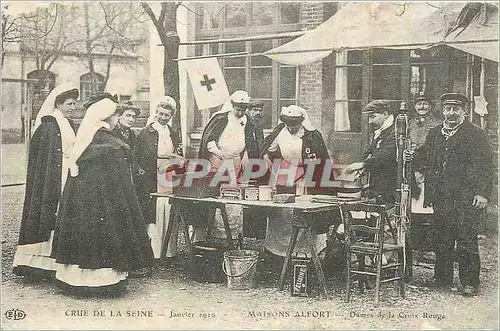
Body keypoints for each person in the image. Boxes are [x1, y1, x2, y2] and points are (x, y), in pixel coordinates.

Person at [51, 93, 154, 294]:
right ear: (108, 117)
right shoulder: (108, 142)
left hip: (84, 200)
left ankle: (74, 278)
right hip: (105, 200)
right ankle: (103, 281)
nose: (117, 119)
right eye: (116, 115)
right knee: (104, 233)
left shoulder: (88, 138)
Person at [411, 93, 493, 297]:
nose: (451, 113)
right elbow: (424, 157)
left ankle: (470, 282)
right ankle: (442, 277)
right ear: (443, 111)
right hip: (440, 195)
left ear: (464, 111)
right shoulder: (436, 133)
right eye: (447, 109)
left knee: (466, 238)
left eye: (456, 109)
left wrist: (482, 193)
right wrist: (410, 156)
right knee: (442, 237)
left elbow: (486, 166)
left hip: (465, 196)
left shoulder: (476, 134)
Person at [13, 84, 79, 279]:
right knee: (51, 211)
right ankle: (40, 262)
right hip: (54, 176)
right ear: (58, 103)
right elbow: (43, 159)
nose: (73, 107)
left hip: (67, 172)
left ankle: (59, 258)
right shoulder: (49, 126)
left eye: (74, 103)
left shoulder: (68, 123)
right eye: (69, 103)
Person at [259, 105, 332, 256]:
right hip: (284, 174)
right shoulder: (279, 133)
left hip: (305, 175)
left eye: (294, 126)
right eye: (288, 125)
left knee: (302, 212)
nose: (291, 129)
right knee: (281, 212)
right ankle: (278, 252)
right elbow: (267, 149)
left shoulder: (311, 136)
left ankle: (304, 253)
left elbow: (320, 161)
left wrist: (309, 177)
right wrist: (267, 156)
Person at [195, 90, 259, 241]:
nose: (240, 112)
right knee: (214, 193)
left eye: (243, 109)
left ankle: (231, 235)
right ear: (232, 106)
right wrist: (218, 152)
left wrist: (246, 157)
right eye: (238, 109)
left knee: (233, 195)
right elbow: (209, 139)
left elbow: (250, 142)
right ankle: (210, 234)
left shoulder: (247, 121)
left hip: (236, 160)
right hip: (217, 159)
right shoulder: (221, 118)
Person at [134, 96, 184, 259]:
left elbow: (178, 154)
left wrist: (175, 158)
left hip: (168, 176)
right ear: (156, 113)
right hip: (150, 178)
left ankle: (169, 251)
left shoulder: (173, 133)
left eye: (167, 115)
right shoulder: (145, 133)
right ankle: (154, 252)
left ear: (171, 116)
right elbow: (137, 156)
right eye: (160, 114)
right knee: (153, 213)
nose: (163, 117)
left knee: (167, 208)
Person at [344, 100, 397, 204]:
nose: (370, 121)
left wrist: (362, 164)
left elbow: (385, 155)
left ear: (385, 114)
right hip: (378, 185)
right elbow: (369, 151)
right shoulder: (381, 131)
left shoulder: (394, 132)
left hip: (390, 186)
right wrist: (362, 167)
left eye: (373, 117)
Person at [408, 92, 441, 253]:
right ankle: (416, 241)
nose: (421, 106)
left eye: (425, 104)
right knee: (414, 202)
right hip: (413, 168)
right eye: (419, 103)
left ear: (431, 106)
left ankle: (430, 243)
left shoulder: (437, 124)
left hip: (429, 169)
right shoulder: (410, 124)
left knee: (429, 204)